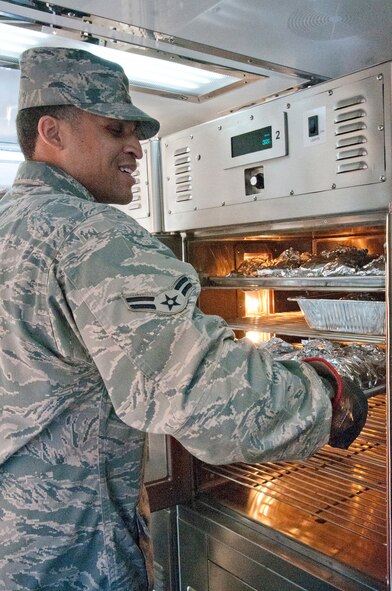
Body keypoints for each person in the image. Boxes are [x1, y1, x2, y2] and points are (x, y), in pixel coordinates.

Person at [0, 47, 368, 591]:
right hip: (76, 553)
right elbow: (206, 398)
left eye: (138, 134)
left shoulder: (11, 221)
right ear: (52, 132)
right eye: (115, 130)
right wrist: (326, 393)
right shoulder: (91, 235)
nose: (134, 149)